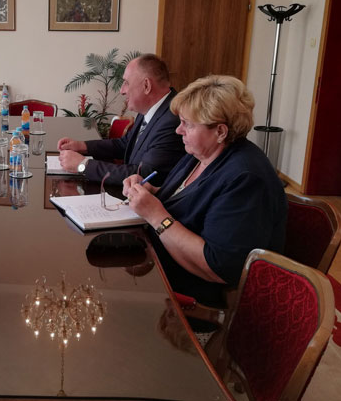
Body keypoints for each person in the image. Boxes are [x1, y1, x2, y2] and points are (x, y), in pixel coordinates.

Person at [123, 75, 287, 308]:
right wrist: (151, 190)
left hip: (194, 300)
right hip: (159, 267)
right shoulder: (200, 154)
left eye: (187, 124)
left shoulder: (246, 179)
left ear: (220, 131)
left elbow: (218, 266)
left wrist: (156, 215)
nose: (178, 130)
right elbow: (191, 199)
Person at [57, 54, 184, 186]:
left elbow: (143, 175)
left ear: (146, 86)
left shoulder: (173, 120)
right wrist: (81, 146)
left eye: (126, 83)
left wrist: (83, 165)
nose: (122, 90)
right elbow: (125, 144)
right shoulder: (151, 108)